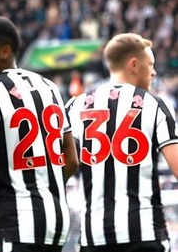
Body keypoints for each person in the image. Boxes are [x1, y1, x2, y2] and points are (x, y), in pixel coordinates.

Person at [0, 16, 78, 252]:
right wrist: (44, 186)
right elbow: (72, 160)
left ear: (5, 51)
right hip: (57, 222)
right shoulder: (50, 87)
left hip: (14, 222)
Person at [65, 33, 178, 252]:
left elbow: (60, 167)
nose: (154, 72)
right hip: (144, 233)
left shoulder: (75, 105)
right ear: (134, 64)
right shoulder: (155, 104)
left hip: (95, 237)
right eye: (150, 64)